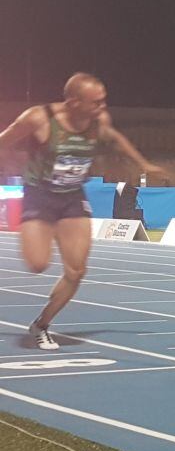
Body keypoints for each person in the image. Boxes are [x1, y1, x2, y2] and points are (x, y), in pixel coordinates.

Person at [0, 73, 165, 349]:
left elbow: (114, 138)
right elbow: (5, 139)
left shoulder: (99, 121)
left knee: (76, 271)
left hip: (72, 198)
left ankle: (41, 324)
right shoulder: (39, 118)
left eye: (103, 101)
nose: (102, 107)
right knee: (37, 264)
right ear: (74, 102)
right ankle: (43, 234)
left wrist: (143, 164)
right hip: (39, 198)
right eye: (96, 102)